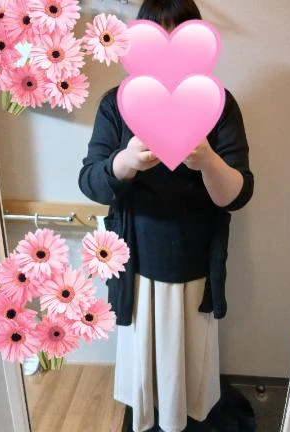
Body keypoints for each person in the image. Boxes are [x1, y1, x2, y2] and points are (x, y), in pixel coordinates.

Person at [78, 1, 254, 430]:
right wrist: (126, 161)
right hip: (137, 266)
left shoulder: (217, 104)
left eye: (180, 37)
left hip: (195, 265)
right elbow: (91, 181)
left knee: (189, 372)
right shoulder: (117, 105)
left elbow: (237, 194)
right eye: (159, 38)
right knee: (144, 371)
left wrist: (208, 160)